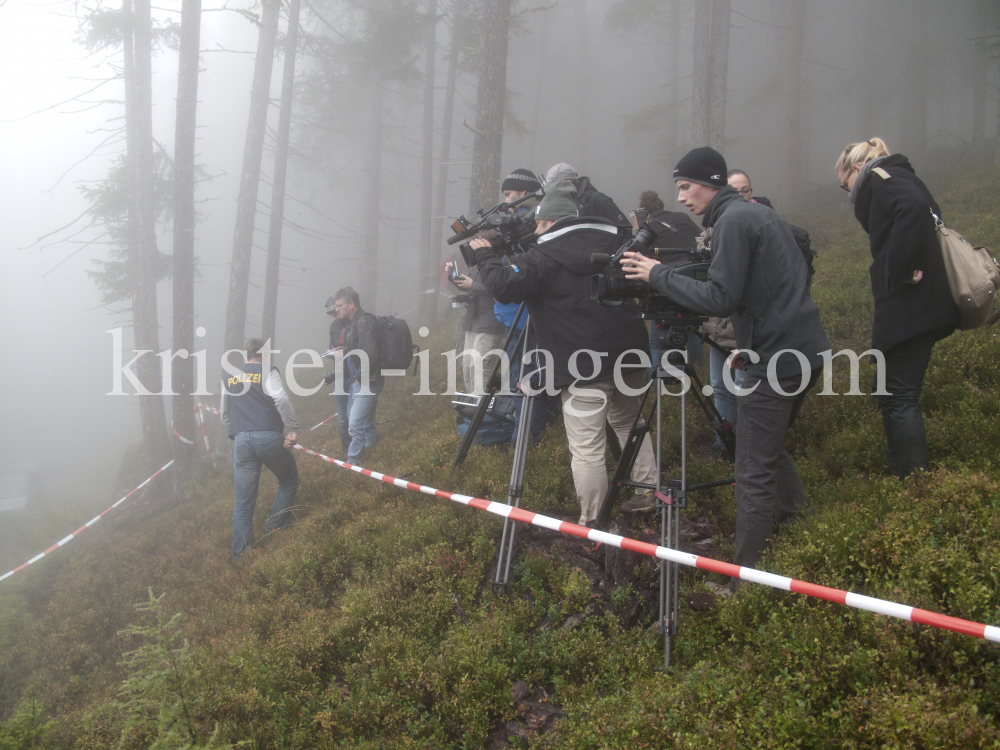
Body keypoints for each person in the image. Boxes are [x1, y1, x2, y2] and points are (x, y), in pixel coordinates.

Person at [623, 146, 831, 584]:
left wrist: (657, 273)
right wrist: (749, 344)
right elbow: (774, 288)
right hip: (800, 351)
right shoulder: (758, 215)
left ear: (710, 183)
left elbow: (720, 298)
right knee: (765, 448)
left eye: (685, 187)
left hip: (776, 360)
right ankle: (800, 523)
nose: (680, 197)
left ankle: (746, 578)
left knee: (751, 468)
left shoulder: (733, 221)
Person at [471, 180, 658, 526]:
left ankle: (594, 522)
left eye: (539, 224)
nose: (534, 231)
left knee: (587, 446)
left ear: (551, 223)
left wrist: (484, 252)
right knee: (630, 422)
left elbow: (501, 285)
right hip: (628, 351)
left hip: (581, 364)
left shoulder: (542, 258)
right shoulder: (615, 241)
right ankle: (647, 490)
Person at [835, 138, 958, 479]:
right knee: (888, 394)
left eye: (845, 185)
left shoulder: (882, 178)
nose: (847, 195)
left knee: (900, 397)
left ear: (858, 170)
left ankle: (914, 485)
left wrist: (900, 268)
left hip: (914, 310)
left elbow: (915, 208)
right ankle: (902, 478)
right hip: (913, 309)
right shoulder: (894, 176)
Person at [221, 337, 300, 560]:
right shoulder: (268, 371)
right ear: (265, 354)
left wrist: (242, 427)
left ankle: (242, 558)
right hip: (267, 435)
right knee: (289, 480)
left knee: (244, 503)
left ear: (247, 354)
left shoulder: (229, 376)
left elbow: (225, 416)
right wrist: (292, 429)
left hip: (241, 441)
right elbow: (281, 400)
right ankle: (276, 531)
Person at [637, 190, 704, 376]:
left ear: (645, 212)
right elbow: (701, 238)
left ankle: (656, 378)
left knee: (657, 335)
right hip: (691, 277)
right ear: (664, 207)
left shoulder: (647, 227)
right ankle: (700, 371)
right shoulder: (681, 217)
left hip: (664, 280)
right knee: (691, 326)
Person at [322, 287, 383, 464]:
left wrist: (358, 379)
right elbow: (360, 349)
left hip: (364, 379)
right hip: (356, 377)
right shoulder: (348, 324)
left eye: (339, 306)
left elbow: (368, 354)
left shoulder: (362, 322)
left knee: (354, 422)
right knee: (360, 420)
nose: (337, 310)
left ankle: (353, 460)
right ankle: (369, 451)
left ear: (351, 304)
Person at [545, 162, 630, 228]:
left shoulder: (598, 200)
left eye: (554, 187)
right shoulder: (559, 205)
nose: (551, 192)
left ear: (569, 184)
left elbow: (625, 229)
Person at [324, 295, 351, 455]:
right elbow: (331, 345)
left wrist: (345, 350)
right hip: (339, 375)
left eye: (335, 313)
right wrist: (330, 351)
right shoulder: (333, 327)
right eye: (331, 315)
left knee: (353, 417)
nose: (334, 317)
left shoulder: (352, 322)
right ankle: (347, 452)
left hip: (354, 374)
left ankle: (362, 449)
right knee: (342, 419)